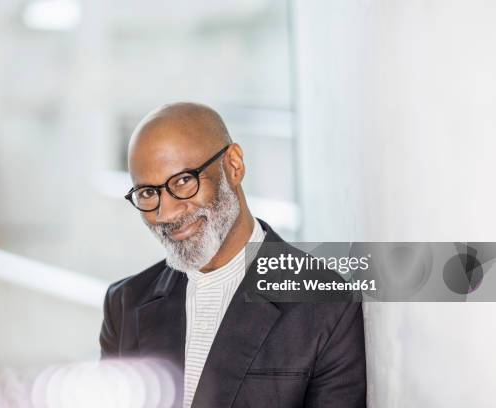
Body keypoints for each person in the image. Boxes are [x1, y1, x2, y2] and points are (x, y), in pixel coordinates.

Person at [100, 102, 366, 407]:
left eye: (184, 180)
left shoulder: (326, 306)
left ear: (234, 165)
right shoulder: (124, 303)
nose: (165, 212)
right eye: (148, 192)